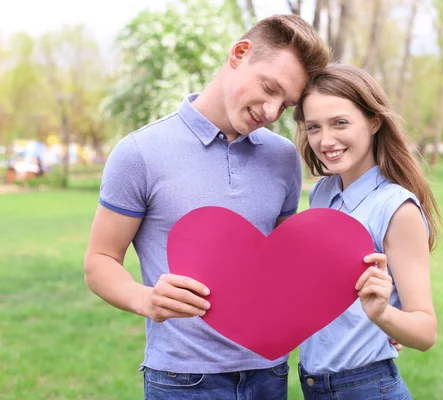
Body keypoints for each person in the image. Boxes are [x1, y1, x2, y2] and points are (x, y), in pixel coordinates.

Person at [83, 14, 331, 400]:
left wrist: (372, 318)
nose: (270, 111)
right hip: (182, 381)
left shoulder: (283, 158)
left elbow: (283, 267)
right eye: (269, 88)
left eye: (285, 104)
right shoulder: (140, 153)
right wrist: (146, 299)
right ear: (239, 53)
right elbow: (99, 260)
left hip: (269, 373)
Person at [293, 63, 443, 400]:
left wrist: (382, 314)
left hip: (366, 388)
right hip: (315, 386)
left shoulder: (396, 207)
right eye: (314, 127)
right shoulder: (323, 193)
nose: (325, 140)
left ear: (374, 122)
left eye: (340, 123)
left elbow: (425, 330)